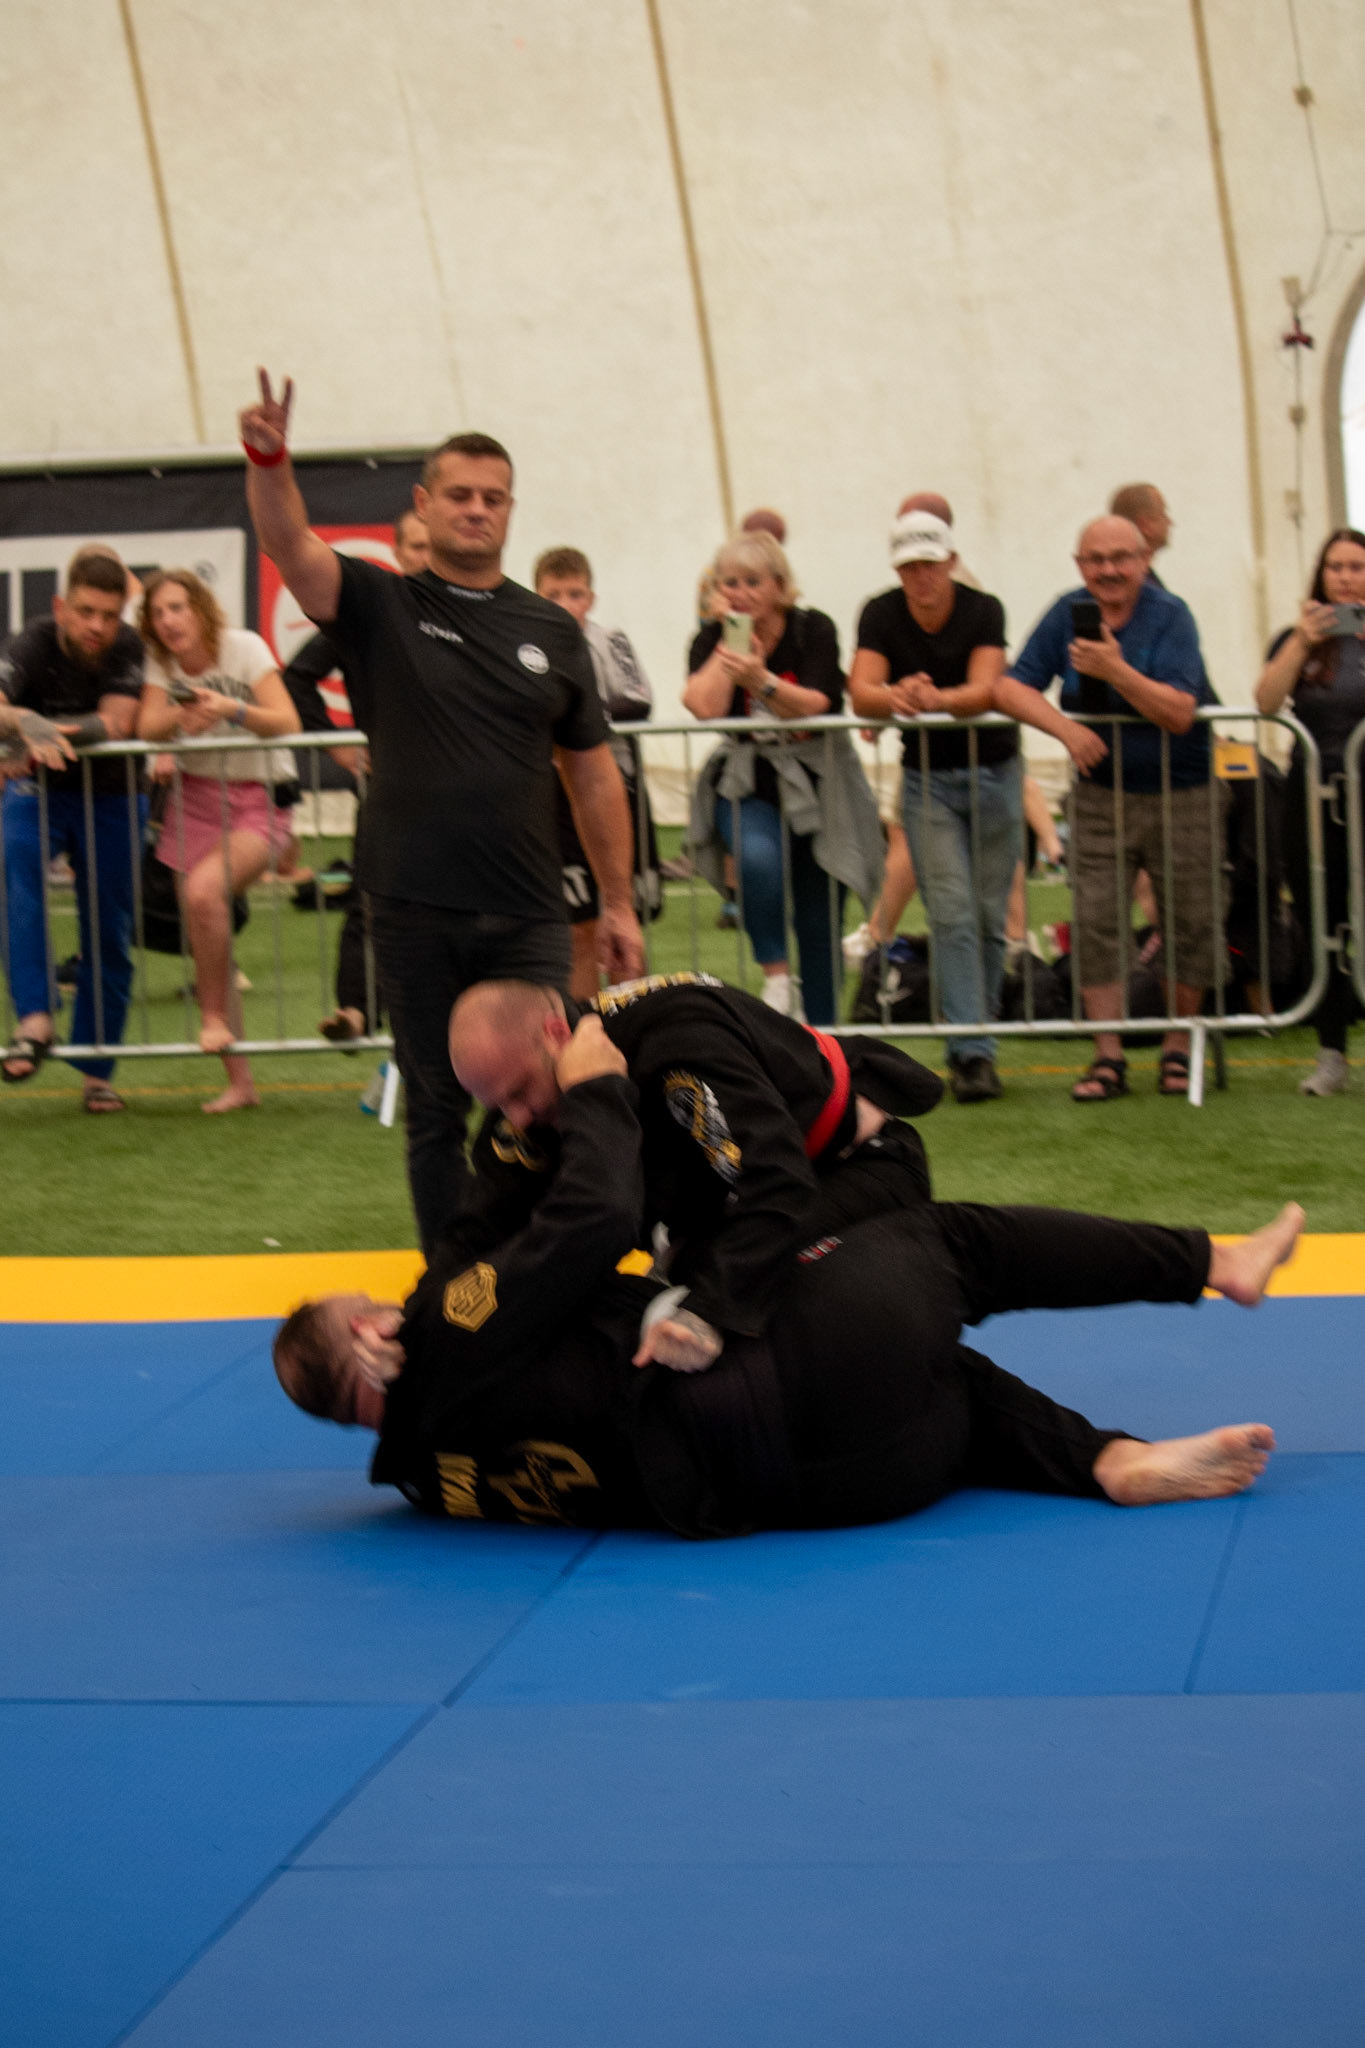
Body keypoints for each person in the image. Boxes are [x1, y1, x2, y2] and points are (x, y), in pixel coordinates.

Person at [274, 1015, 1294, 1540]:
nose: (394, 1302)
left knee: (931, 1365)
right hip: (802, 1378)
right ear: (370, 1333)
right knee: (950, 1242)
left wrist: (505, 1156)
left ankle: (1110, 1460)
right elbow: (588, 1221)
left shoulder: (426, 1483)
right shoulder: (447, 1330)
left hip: (857, 1485)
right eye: (374, 1307)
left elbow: (478, 1244)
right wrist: (589, 1095)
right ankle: (1216, 1262)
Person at [237, 370, 645, 1253]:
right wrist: (268, 461)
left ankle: (554, 1274)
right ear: (424, 505)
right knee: (434, 1111)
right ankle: (451, 1287)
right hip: (413, 906)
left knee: (551, 1095)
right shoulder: (378, 602)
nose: (476, 510)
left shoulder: (552, 629)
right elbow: (287, 543)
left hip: (530, 911)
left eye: (493, 498)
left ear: (510, 511)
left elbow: (593, 775)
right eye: (459, 494)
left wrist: (616, 901)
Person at [450, 972, 943, 1369]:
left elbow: (778, 1183)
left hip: (857, 1167)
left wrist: (708, 1310)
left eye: (519, 1093)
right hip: (747, 1198)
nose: (517, 1117)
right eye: (498, 1104)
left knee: (705, 1299)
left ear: (556, 1034)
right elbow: (483, 1224)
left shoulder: (678, 1046)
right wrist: (424, 1317)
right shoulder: (529, 1083)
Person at [995, 514, 1220, 1101]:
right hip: (1098, 795)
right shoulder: (1067, 612)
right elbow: (1009, 687)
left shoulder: (1172, 616)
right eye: (1096, 559)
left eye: (1121, 557)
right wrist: (1066, 731)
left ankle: (1179, 1048)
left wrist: (1114, 669)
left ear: (1144, 561)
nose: (1109, 570)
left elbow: (1179, 712)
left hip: (1183, 790)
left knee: (1189, 920)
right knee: (1095, 921)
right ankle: (1107, 1057)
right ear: (1079, 565)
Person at [849, 506, 1021, 1103]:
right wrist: (899, 694)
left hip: (996, 772)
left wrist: (927, 698)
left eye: (929, 562)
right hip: (927, 780)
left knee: (988, 915)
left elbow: (986, 688)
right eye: (909, 566)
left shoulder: (984, 609)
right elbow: (862, 693)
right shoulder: (880, 613)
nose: (920, 575)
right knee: (951, 912)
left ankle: (976, 1034)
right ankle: (972, 1051)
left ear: (950, 561)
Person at [684, 528, 882, 1023]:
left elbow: (816, 703)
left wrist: (762, 682)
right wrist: (730, 647)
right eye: (729, 583)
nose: (740, 593)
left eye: (752, 582)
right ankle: (776, 976)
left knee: (820, 915)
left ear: (779, 585)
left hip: (819, 780)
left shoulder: (811, 629)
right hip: (748, 779)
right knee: (757, 860)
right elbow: (702, 706)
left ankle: (825, 1035)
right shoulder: (713, 637)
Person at [136, 569, 301, 1112]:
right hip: (193, 801)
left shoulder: (244, 647)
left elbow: (288, 721)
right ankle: (240, 1083)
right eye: (158, 612)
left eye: (178, 607)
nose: (168, 620)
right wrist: (180, 718)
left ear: (201, 609)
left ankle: (211, 1018)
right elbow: (146, 727)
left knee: (204, 894)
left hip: (257, 798)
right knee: (208, 928)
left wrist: (230, 709)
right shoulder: (161, 664)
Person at [0, 548, 146, 1111]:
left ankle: (96, 1071)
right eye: (86, 612)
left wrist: (38, 736)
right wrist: (23, 721)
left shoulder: (127, 645)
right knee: (16, 871)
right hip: (40, 792)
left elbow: (117, 722)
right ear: (61, 607)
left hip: (113, 794)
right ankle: (35, 1019)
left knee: (109, 931)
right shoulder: (31, 642)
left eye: (109, 615)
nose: (97, 627)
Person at [281, 508, 431, 1043]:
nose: (425, 556)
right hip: (385, 781)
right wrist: (338, 745)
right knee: (369, 898)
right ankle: (355, 1010)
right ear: (398, 552)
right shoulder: (369, 612)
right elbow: (298, 677)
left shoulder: (474, 609)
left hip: (465, 789)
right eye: (415, 546)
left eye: (430, 544)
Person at [1255, 526, 1365, 1095]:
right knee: (1323, 922)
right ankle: (1331, 1054)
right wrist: (1301, 641)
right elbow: (1266, 701)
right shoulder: (1295, 639)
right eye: (1335, 567)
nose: (1345, 578)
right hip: (1311, 801)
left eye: (1357, 567)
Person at [533, 546, 660, 1001]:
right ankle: (584, 1025)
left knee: (625, 926)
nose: (566, 604)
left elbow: (639, 699)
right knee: (577, 927)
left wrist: (573, 715)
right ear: (536, 595)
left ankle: (632, 1027)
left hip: (617, 788)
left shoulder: (611, 640)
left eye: (575, 593)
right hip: (555, 795)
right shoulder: (526, 645)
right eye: (554, 595)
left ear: (591, 597)